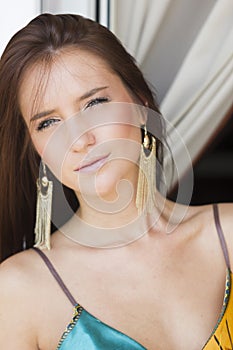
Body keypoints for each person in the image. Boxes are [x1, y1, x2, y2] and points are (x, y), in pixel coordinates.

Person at [0, 13, 232, 350]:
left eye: (95, 103)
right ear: (35, 148)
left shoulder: (226, 234)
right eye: (48, 123)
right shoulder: (18, 290)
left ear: (141, 105)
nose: (79, 140)